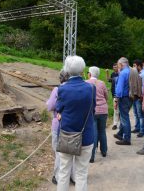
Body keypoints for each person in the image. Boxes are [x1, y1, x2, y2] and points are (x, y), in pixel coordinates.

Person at [56, 55, 96, 191]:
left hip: (67, 134)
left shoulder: (62, 89)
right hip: (86, 135)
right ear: (82, 69)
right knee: (81, 174)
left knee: (63, 172)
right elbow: (93, 109)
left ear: (67, 70)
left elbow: (58, 109)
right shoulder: (91, 88)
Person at [46, 70, 75, 185]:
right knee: (71, 151)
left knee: (59, 152)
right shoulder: (75, 89)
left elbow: (50, 106)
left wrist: (48, 102)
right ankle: (72, 176)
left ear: (60, 78)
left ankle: (58, 177)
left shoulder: (57, 89)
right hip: (73, 124)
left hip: (59, 123)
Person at [87, 66, 108, 163]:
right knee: (102, 131)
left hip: (93, 110)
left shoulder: (86, 83)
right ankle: (104, 151)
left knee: (94, 133)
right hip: (103, 110)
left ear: (90, 74)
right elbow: (106, 96)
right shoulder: (102, 83)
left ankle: (91, 156)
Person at [114, 57, 133, 145]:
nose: (118, 66)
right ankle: (121, 133)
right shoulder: (131, 71)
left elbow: (119, 88)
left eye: (118, 64)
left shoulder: (123, 73)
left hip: (124, 97)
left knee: (124, 118)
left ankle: (127, 139)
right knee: (124, 116)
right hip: (131, 97)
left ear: (121, 64)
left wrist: (116, 99)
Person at [132, 60, 144, 137]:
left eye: (134, 66)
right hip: (134, 96)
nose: (133, 67)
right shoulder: (135, 73)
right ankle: (137, 127)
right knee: (135, 113)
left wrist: (143, 96)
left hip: (140, 97)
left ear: (139, 66)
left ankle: (142, 130)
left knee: (140, 114)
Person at [105, 63, 120, 130]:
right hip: (114, 94)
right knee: (116, 109)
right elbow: (108, 80)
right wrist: (107, 72)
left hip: (119, 94)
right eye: (113, 67)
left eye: (116, 67)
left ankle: (119, 124)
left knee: (119, 110)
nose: (114, 68)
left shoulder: (120, 74)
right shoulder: (113, 74)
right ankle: (115, 124)